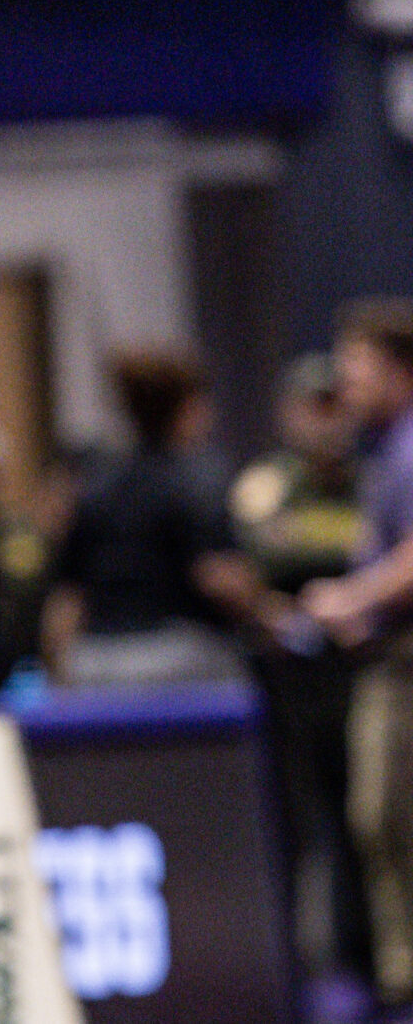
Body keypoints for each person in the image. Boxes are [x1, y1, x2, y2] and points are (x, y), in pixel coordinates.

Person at [236, 354, 374, 1005]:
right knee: (287, 828)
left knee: (362, 824)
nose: (326, 419)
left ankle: (364, 964)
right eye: (312, 406)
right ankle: (291, 973)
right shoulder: (266, 487)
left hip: (354, 677)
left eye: (333, 404)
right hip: (284, 684)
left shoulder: (372, 482)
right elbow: (248, 569)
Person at [42, 350, 283, 687]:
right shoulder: (197, 477)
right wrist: (275, 619)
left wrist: (59, 675)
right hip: (179, 659)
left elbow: (68, 598)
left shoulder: (93, 485)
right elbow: (217, 576)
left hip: (96, 662)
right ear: (188, 407)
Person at [306, 301, 413, 1012]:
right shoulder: (383, 450)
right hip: (384, 654)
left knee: (383, 812)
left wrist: (354, 597)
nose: (346, 384)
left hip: (404, 663)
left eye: (358, 368)